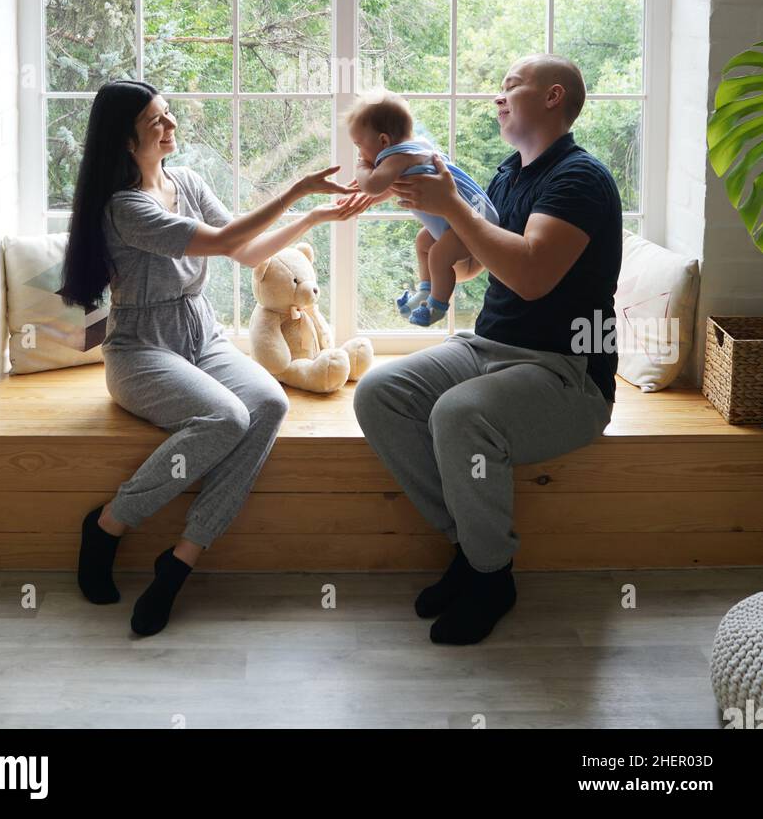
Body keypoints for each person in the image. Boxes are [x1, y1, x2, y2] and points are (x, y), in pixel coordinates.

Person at [60, 78, 370, 637]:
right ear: (127, 140)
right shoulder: (123, 207)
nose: (171, 125)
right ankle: (107, 525)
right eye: (157, 121)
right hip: (141, 346)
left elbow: (247, 250)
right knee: (225, 416)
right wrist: (297, 191)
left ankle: (181, 558)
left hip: (201, 334)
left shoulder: (188, 182)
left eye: (168, 113)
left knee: (270, 404)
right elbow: (225, 244)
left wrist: (315, 220)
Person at [352, 54, 622, 647]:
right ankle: (472, 550)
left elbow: (530, 277)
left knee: (459, 413)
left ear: (553, 97)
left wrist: (451, 207)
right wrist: (433, 242)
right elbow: (477, 263)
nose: (497, 98)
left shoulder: (579, 178)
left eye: (511, 87)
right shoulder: (507, 174)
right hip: (491, 346)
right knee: (380, 393)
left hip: (567, 373)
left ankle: (491, 578)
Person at [345, 90, 499, 326]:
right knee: (423, 241)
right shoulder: (418, 149)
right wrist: (371, 200)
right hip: (465, 219)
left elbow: (373, 185)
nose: (359, 153)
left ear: (384, 141)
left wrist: (361, 167)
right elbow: (396, 187)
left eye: (359, 145)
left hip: (470, 224)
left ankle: (436, 307)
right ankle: (425, 289)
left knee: (438, 254)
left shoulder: (398, 156)